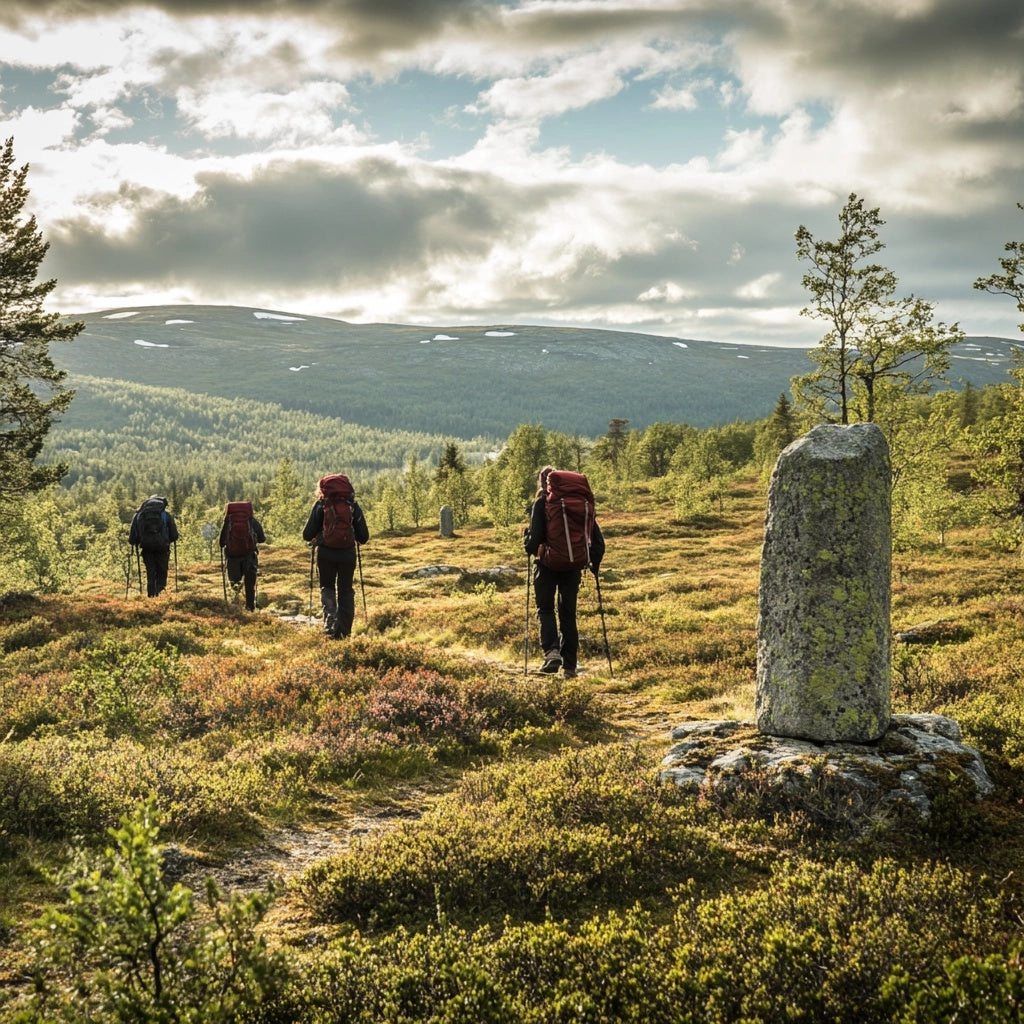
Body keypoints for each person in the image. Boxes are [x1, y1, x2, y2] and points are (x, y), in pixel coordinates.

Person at [523, 466, 605, 678]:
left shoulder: (542, 504)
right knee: (568, 614)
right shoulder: (580, 505)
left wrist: (526, 541)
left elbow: (533, 543)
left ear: (544, 484)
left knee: (546, 609)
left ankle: (552, 653)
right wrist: (593, 565)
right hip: (573, 567)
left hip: (546, 565)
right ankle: (570, 666)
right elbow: (597, 540)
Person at [302, 475, 370, 638]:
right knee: (346, 590)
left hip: (326, 554)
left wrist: (320, 533)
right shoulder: (352, 506)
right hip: (347, 554)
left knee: (328, 587)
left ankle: (330, 622)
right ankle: (344, 631)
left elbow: (307, 534)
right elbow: (364, 537)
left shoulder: (321, 505)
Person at [128, 494, 179, 597]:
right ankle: (160, 595)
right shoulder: (165, 515)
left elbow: (132, 538)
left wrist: (137, 542)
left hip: (146, 548)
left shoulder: (139, 515)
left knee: (150, 572)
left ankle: (151, 597)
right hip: (162, 548)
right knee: (162, 571)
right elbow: (174, 535)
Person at [219, 502, 266, 611]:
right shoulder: (250, 520)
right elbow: (262, 539)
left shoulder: (228, 521)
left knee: (235, 584)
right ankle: (250, 608)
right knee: (250, 585)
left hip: (232, 558)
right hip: (249, 557)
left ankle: (235, 608)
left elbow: (221, 543)